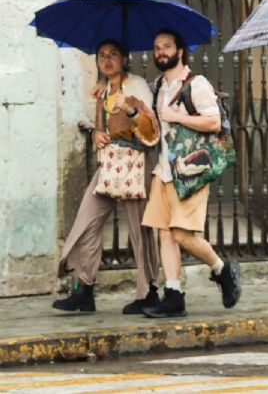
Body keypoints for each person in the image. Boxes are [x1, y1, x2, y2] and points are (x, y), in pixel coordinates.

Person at [53, 40, 161, 315]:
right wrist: (95, 133)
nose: (107, 59)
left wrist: (131, 111)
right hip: (109, 165)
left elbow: (151, 129)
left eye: (114, 54)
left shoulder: (135, 86)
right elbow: (96, 125)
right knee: (86, 221)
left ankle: (148, 292)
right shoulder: (101, 90)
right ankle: (84, 288)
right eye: (102, 55)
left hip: (135, 165)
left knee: (141, 231)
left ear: (125, 59)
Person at [140, 29, 241, 318]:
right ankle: (174, 295)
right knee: (165, 234)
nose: (161, 52)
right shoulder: (158, 86)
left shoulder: (197, 84)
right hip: (163, 171)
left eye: (167, 46)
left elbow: (213, 122)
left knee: (183, 235)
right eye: (157, 47)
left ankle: (222, 270)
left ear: (180, 50)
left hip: (190, 171)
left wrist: (177, 116)